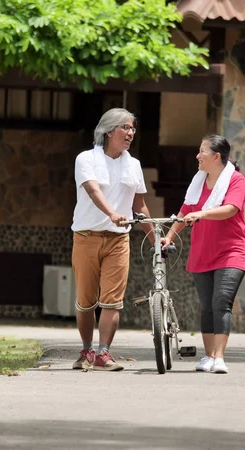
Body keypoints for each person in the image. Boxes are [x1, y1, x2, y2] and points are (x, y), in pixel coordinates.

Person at [71, 108, 154, 371]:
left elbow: (140, 206)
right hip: (86, 237)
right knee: (86, 301)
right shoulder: (86, 159)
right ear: (108, 131)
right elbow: (93, 191)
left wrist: (155, 240)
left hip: (119, 240)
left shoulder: (134, 165)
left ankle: (103, 354)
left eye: (133, 128)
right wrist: (112, 214)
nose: (131, 133)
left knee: (112, 300)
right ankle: (86, 351)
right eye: (125, 128)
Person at [162, 135, 245, 374]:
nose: (197, 156)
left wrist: (201, 214)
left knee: (221, 301)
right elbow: (185, 210)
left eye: (202, 151)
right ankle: (208, 356)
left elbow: (230, 209)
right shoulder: (198, 182)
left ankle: (219, 358)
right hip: (202, 252)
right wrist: (169, 236)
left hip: (231, 252)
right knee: (207, 306)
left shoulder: (235, 180)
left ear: (216, 156)